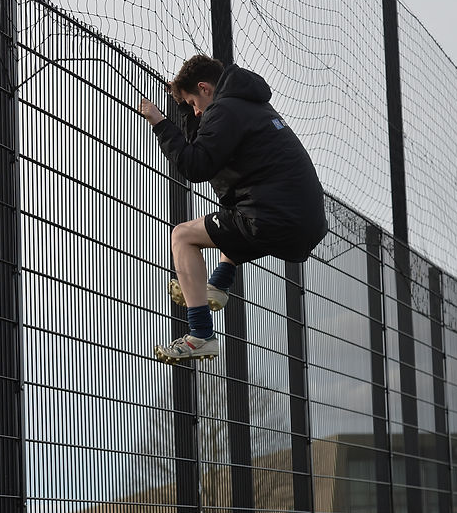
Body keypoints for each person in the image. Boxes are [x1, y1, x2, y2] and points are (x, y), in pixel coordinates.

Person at [139, 54, 328, 363]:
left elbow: (195, 165)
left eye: (193, 102)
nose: (196, 111)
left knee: (182, 236)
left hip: (270, 218)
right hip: (304, 223)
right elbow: (205, 145)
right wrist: (184, 109)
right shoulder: (252, 106)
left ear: (205, 87)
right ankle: (216, 285)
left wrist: (160, 123)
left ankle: (200, 334)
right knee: (234, 216)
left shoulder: (225, 110)